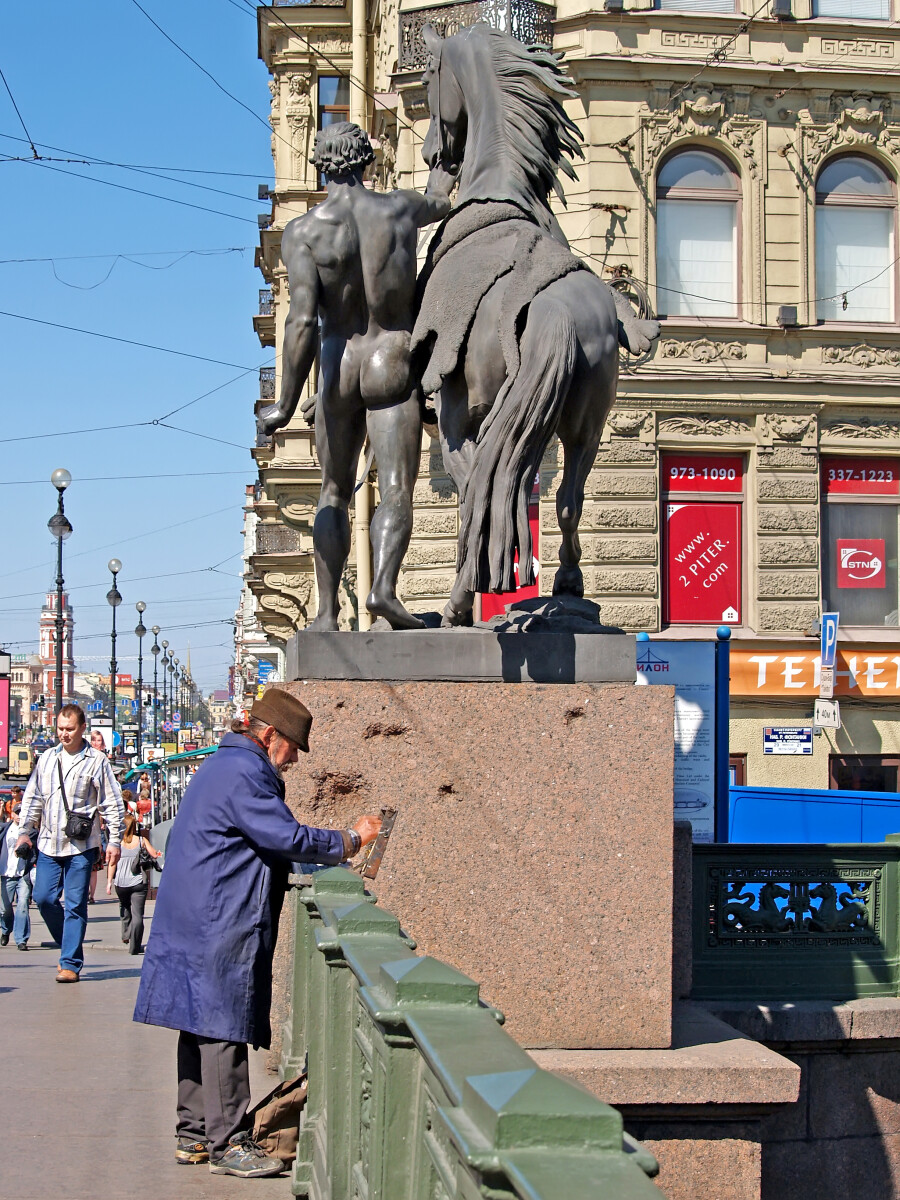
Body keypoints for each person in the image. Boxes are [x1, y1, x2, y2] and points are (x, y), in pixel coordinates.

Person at [133, 689, 382, 1178]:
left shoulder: (221, 766)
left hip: (193, 914)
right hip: (218, 916)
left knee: (197, 1024)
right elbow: (285, 837)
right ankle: (227, 1143)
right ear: (270, 736)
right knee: (223, 1025)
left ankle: (193, 1135)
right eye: (292, 749)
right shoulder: (247, 774)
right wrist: (350, 840)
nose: (291, 762)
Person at [256, 122, 454, 631]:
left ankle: (325, 614)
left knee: (333, 493)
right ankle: (383, 589)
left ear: (322, 164)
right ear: (366, 160)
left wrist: (283, 404)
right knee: (395, 490)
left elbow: (300, 321)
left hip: (338, 361)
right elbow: (440, 196)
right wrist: (443, 154)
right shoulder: (398, 210)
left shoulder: (303, 233)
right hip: (391, 356)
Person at [17, 704, 124, 982]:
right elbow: (33, 798)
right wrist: (24, 831)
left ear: (82, 729)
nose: (64, 734)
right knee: (43, 898)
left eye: (70, 729)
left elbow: (111, 803)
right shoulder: (47, 759)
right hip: (49, 843)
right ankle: (68, 944)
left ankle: (70, 963)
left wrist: (114, 840)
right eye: (60, 729)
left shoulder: (96, 760)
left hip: (81, 845)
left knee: (76, 903)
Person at [107, 812, 161, 954]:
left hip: (120, 882)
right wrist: (158, 853)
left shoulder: (118, 843)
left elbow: (112, 863)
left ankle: (126, 934)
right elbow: (154, 854)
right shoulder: (142, 840)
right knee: (138, 915)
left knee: (124, 907)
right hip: (138, 882)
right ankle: (135, 946)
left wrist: (108, 882)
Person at [0, 802, 33, 950]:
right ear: (12, 814)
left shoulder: (31, 832)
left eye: (23, 813)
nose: (20, 816)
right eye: (17, 813)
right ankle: (6, 930)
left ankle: (21, 939)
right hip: (6, 873)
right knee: (5, 909)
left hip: (22, 875)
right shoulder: (4, 829)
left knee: (23, 905)